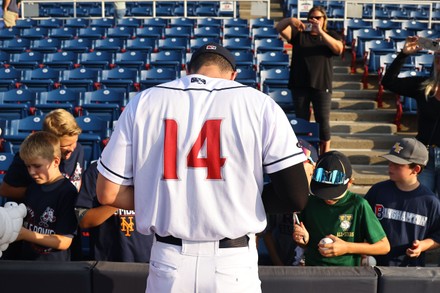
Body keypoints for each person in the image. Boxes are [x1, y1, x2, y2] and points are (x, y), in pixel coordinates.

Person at [96, 42, 310, 293]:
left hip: (169, 259)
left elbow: (107, 193)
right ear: (233, 75)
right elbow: (296, 196)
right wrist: (243, 199)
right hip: (233, 262)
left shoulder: (144, 101)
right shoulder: (259, 103)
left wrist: (168, 198)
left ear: (189, 72)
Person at [0, 108, 84, 260]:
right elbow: (5, 189)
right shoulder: (30, 159)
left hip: (61, 239)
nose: (72, 148)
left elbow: (64, 241)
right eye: (66, 145)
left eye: (75, 142)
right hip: (34, 241)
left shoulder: (77, 151)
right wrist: (43, 192)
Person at [293, 151, 390, 266]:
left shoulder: (358, 205)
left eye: (334, 194)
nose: (328, 198)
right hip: (313, 271)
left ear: (350, 182)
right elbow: (306, 244)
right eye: (323, 192)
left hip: (347, 276)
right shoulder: (310, 202)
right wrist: (303, 241)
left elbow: (384, 246)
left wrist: (347, 247)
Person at [275, 6, 344, 154]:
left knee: (323, 122)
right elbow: (279, 28)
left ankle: (324, 157)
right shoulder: (300, 34)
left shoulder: (330, 35)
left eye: (318, 18)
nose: (314, 20)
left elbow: (339, 49)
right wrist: (290, 20)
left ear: (324, 20)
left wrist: (321, 32)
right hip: (299, 84)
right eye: (311, 18)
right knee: (302, 120)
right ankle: (305, 154)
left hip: (321, 84)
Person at [364, 137, 440, 266]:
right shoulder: (378, 191)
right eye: (390, 162)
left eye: (397, 164)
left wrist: (422, 246)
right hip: (375, 267)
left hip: (408, 272)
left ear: (416, 169)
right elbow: (361, 222)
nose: (390, 167)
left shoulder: (430, 201)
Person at [381, 36, 440, 196]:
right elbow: (388, 82)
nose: (439, 58)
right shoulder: (424, 86)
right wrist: (404, 54)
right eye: (437, 55)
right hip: (424, 157)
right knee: (420, 202)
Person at [75, 160, 153, 262]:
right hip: (107, 263)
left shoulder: (152, 169)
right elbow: (83, 220)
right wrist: (118, 199)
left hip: (147, 261)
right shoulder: (98, 170)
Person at [262, 139, 318, 266]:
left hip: (312, 266)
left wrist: (308, 244)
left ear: (313, 167)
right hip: (281, 260)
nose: (294, 170)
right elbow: (266, 233)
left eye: (300, 163)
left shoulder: (321, 196)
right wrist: (278, 265)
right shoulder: (277, 193)